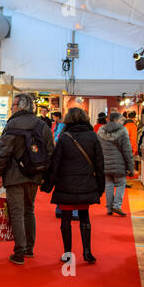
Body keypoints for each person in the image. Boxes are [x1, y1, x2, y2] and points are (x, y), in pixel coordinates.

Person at [0, 94, 54, 265]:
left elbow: (3, 151)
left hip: (14, 175)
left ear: (20, 106)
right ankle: (29, 248)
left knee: (17, 212)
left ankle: (19, 252)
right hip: (34, 175)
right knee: (29, 210)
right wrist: (43, 174)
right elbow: (50, 151)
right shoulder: (42, 125)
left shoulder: (12, 124)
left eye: (13, 105)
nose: (11, 108)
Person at [41, 108, 105, 264]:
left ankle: (68, 253)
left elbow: (55, 164)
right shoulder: (93, 136)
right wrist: (100, 187)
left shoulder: (64, 138)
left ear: (68, 119)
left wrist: (48, 185)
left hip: (65, 184)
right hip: (86, 184)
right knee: (84, 217)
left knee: (66, 219)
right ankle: (87, 252)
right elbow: (99, 164)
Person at [97, 113, 135, 216]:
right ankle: (117, 206)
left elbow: (98, 148)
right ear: (116, 120)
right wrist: (131, 167)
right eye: (121, 120)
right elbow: (127, 150)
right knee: (121, 183)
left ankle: (109, 208)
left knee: (109, 184)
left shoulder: (101, 130)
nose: (123, 122)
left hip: (105, 163)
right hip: (119, 163)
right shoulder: (122, 131)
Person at [51, 111, 78, 220]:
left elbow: (57, 143)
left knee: (61, 186)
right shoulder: (83, 132)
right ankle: (75, 212)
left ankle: (59, 210)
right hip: (77, 163)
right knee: (75, 188)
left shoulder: (63, 131)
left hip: (63, 163)